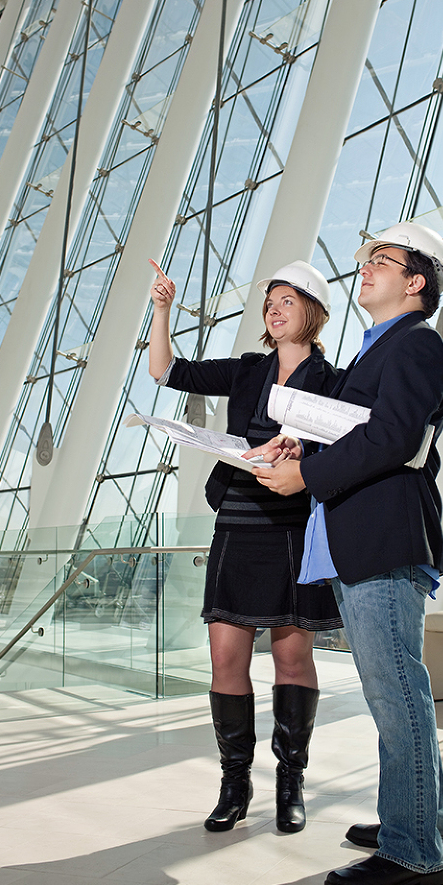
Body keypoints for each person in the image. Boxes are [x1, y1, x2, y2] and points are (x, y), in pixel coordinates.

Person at [253, 222, 443, 885]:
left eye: (382, 261)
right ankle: (425, 821)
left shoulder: (416, 342)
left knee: (395, 695)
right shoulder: (378, 349)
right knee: (399, 692)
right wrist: (302, 448)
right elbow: (360, 432)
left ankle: (413, 852)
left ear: (416, 281)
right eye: (366, 258)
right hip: (362, 537)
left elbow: (394, 437)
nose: (365, 268)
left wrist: (308, 476)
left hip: (383, 540)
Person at [148, 258, 341, 835]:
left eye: (287, 301)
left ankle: (290, 781)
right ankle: (235, 782)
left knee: (292, 659)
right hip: (238, 519)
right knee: (225, 659)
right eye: (269, 303)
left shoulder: (332, 380)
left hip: (294, 526)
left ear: (312, 311)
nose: (274, 311)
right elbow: (166, 371)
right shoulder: (249, 369)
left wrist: (303, 453)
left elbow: (347, 443)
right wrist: (162, 309)